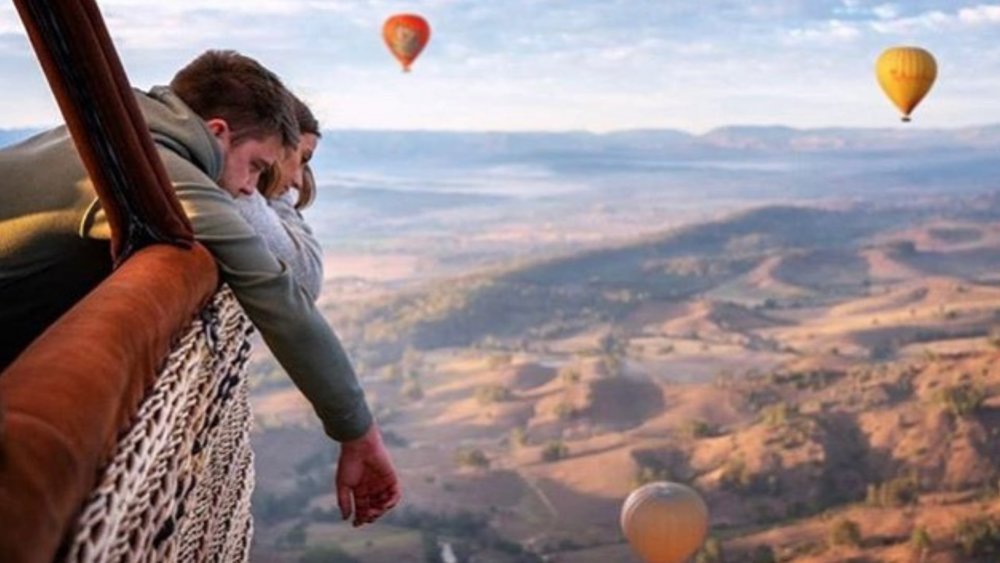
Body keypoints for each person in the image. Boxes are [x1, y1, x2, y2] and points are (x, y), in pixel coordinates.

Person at [0, 50, 399, 526]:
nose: (252, 189)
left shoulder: (121, 122)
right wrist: (358, 431)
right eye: (256, 166)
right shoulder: (158, 171)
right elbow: (276, 290)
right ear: (216, 132)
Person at [235, 95, 323, 301]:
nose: (299, 182)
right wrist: (277, 189)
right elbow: (306, 281)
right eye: (302, 158)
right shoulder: (236, 192)